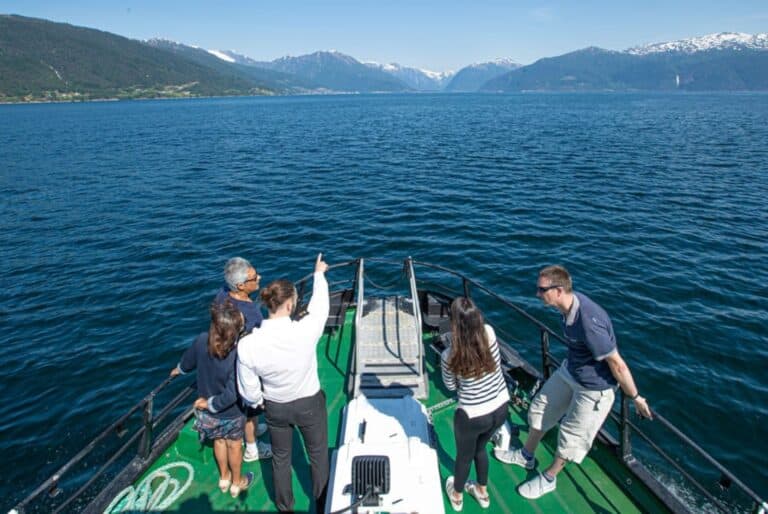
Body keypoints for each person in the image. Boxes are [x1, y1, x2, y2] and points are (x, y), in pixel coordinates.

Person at [496, 265, 653, 499]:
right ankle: (526, 455)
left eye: (542, 290)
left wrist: (636, 397)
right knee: (540, 409)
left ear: (558, 290)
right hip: (571, 372)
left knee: (571, 436)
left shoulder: (589, 323)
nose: (537, 294)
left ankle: (549, 478)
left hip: (594, 388)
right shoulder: (567, 307)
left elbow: (617, 363)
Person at [237, 253, 330, 513]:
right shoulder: (305, 330)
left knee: (280, 458)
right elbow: (320, 306)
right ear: (290, 305)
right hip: (309, 403)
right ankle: (323, 504)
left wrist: (259, 401)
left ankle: (284, 507)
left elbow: (249, 390)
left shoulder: (248, 345)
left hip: (275, 407)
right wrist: (319, 275)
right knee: (318, 455)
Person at [169, 300, 254, 498]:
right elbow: (232, 393)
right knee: (234, 445)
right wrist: (212, 403)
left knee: (219, 442)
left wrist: (178, 370)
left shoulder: (201, 340)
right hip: (231, 412)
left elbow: (187, 362)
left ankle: (223, 478)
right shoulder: (238, 353)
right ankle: (237, 482)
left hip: (208, 412)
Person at [441, 297, 510, 512]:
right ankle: (482, 492)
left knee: (464, 457)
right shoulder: (489, 333)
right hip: (500, 407)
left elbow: (451, 386)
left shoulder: (450, 355)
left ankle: (458, 495)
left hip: (472, 415)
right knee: (480, 449)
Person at [214, 256, 272, 462]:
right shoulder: (249, 315)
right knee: (250, 406)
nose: (259, 278)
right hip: (242, 365)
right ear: (240, 285)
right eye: (254, 278)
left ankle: (254, 430)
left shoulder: (222, 294)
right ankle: (252, 448)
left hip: (226, 360)